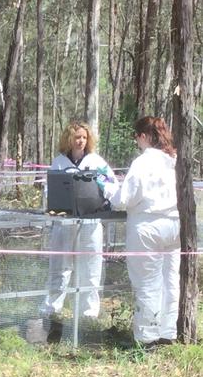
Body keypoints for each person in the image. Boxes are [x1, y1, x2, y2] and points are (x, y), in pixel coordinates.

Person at [102, 116, 179, 347]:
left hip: (148, 227)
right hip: (174, 225)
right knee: (170, 281)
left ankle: (147, 339)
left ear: (143, 136)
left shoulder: (142, 163)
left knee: (147, 282)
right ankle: (168, 332)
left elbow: (125, 199)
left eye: (137, 137)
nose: (137, 142)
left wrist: (108, 190)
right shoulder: (172, 160)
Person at [41, 121, 118, 342]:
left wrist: (107, 198)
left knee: (91, 265)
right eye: (76, 137)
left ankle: (88, 314)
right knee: (60, 267)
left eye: (84, 137)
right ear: (68, 138)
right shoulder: (59, 163)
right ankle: (52, 310)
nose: (80, 141)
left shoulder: (96, 162)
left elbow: (110, 183)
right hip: (64, 224)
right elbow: (49, 189)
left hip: (91, 222)